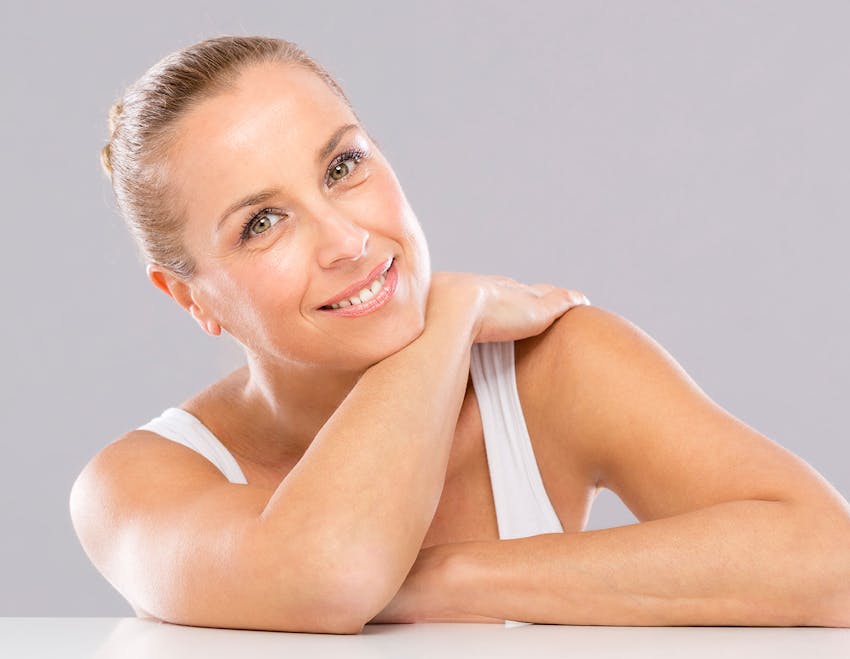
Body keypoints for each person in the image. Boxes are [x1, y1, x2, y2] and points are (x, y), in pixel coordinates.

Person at [70, 35, 850, 634]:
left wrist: (447, 577)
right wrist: (448, 316)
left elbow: (831, 561)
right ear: (189, 297)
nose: (347, 240)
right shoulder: (134, 485)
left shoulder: (555, 368)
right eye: (262, 223)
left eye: (343, 166)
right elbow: (331, 571)